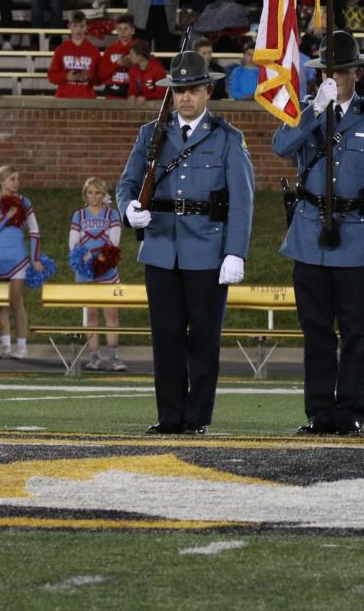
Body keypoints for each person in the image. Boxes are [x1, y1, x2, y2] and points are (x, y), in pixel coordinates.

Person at [271, 31, 364, 435]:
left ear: (357, 74)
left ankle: (349, 413)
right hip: (310, 235)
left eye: (341, 72)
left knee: (356, 334)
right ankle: (318, 413)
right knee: (315, 333)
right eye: (326, 71)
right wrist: (316, 109)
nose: (332, 77)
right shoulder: (308, 111)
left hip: (360, 237)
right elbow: (281, 146)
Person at [118, 50, 255, 434]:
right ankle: (169, 415)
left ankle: (196, 417)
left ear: (208, 91)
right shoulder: (151, 135)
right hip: (161, 248)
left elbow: (242, 201)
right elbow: (126, 183)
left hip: (207, 251)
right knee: (166, 338)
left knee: (204, 341)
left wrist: (235, 252)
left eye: (192, 89)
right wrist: (128, 211)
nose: (185, 98)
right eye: (179, 90)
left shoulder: (228, 138)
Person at [0, 165, 41, 360]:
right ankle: (5, 346)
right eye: (12, 179)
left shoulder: (25, 202)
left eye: (17, 178)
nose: (16, 182)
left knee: (16, 301)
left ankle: (21, 347)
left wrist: (34, 258)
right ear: (1, 182)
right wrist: (6, 218)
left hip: (18, 258)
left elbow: (34, 231)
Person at [70, 177, 124, 372]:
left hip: (107, 269)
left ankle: (114, 357)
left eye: (97, 192)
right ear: (85, 195)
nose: (93, 196)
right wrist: (83, 257)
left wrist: (103, 258)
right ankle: (94, 357)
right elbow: (73, 243)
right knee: (90, 313)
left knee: (111, 313)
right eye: (90, 193)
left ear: (103, 194)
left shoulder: (112, 214)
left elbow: (114, 242)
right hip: (86, 271)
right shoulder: (79, 215)